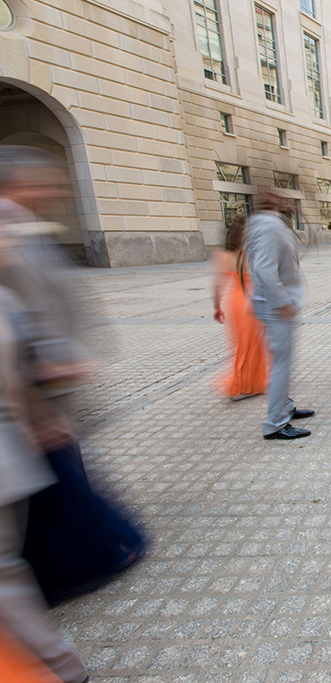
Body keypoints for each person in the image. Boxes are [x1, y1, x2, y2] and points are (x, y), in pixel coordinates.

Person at [0, 147, 143, 607]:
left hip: (48, 377)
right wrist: (46, 366)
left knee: (60, 469)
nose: (52, 190)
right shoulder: (8, 227)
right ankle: (79, 557)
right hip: (31, 382)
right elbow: (22, 316)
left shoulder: (26, 227)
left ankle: (87, 549)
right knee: (54, 473)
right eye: (40, 181)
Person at [0, 285, 88, 683]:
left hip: (12, 457)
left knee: (5, 575)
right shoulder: (5, 298)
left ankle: (57, 665)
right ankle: (59, 663)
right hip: (13, 456)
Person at [245, 190, 315, 440]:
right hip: (275, 307)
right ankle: (275, 423)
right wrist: (283, 301)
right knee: (280, 365)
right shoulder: (269, 226)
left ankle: (284, 406)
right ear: (270, 201)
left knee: (279, 361)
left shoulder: (258, 223)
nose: (282, 200)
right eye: (277, 197)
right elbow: (263, 268)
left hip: (269, 304)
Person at [213, 214, 267, 401]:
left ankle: (250, 383)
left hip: (234, 302)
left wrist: (217, 306)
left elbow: (218, 283)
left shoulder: (225, 254)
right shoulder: (250, 252)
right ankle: (244, 385)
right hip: (250, 300)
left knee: (241, 345)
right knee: (252, 346)